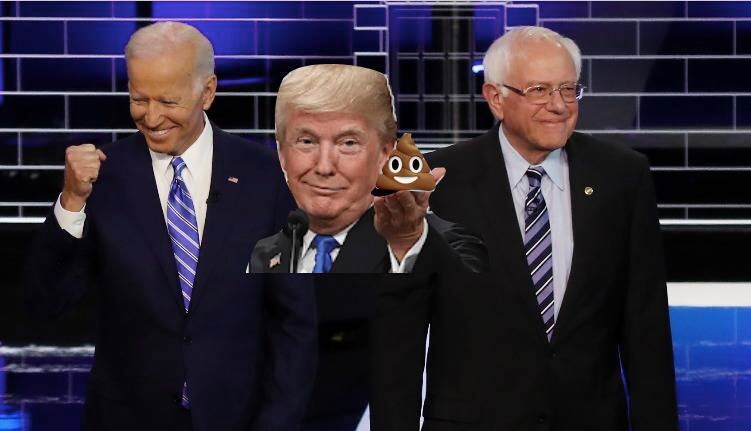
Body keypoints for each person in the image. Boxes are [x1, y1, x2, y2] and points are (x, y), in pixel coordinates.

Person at [372, 26, 678, 430]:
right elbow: (399, 337)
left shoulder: (622, 176)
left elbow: (646, 327)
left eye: (568, 89)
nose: (559, 105)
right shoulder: (431, 183)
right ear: (495, 98)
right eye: (539, 90)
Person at [23, 22, 316, 431]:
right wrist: (71, 201)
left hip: (236, 418)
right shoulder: (103, 177)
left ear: (207, 92)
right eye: (138, 99)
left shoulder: (264, 176)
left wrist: (276, 424)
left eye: (168, 101)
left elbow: (293, 321)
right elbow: (47, 304)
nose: (151, 116)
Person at [250, 64, 486, 274]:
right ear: (282, 153)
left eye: (348, 143)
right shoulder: (264, 253)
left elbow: (465, 303)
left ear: (386, 154)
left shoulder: (443, 243)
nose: (324, 167)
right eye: (307, 141)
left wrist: (407, 243)